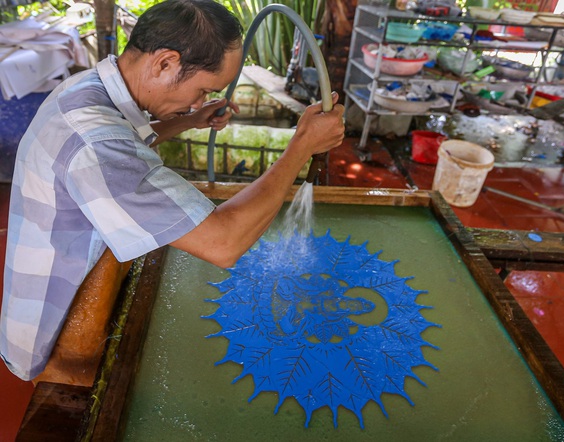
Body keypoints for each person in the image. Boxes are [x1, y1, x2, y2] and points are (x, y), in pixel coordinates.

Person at [0, 0, 345, 383]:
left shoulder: (88, 88)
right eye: (202, 91)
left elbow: (124, 141)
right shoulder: (94, 142)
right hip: (54, 330)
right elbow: (224, 244)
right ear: (165, 63)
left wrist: (190, 119)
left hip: (68, 279)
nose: (200, 101)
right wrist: (300, 147)